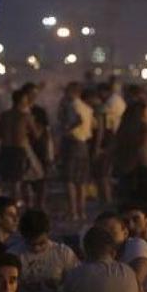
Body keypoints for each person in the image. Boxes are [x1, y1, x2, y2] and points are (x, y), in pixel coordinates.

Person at [8, 209, 79, 292]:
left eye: (41, 243)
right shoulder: (13, 255)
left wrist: (59, 286)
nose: (37, 248)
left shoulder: (63, 253)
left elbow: (77, 285)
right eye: (31, 244)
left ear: (48, 233)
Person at [94, 211, 147, 292]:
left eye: (112, 231)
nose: (106, 237)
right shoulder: (99, 254)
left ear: (125, 233)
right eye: (100, 233)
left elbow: (135, 282)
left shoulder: (136, 245)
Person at [0, 88, 40, 204]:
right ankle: (15, 208)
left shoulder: (4, 115)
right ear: (22, 100)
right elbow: (36, 135)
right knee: (17, 182)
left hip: (5, 150)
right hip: (19, 150)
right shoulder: (25, 116)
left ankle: (9, 206)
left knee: (7, 182)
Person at [58, 82, 93, 221]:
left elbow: (78, 120)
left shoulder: (73, 105)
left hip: (73, 143)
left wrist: (67, 128)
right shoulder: (86, 107)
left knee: (70, 179)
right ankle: (81, 211)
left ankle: (73, 212)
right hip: (83, 144)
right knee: (81, 180)